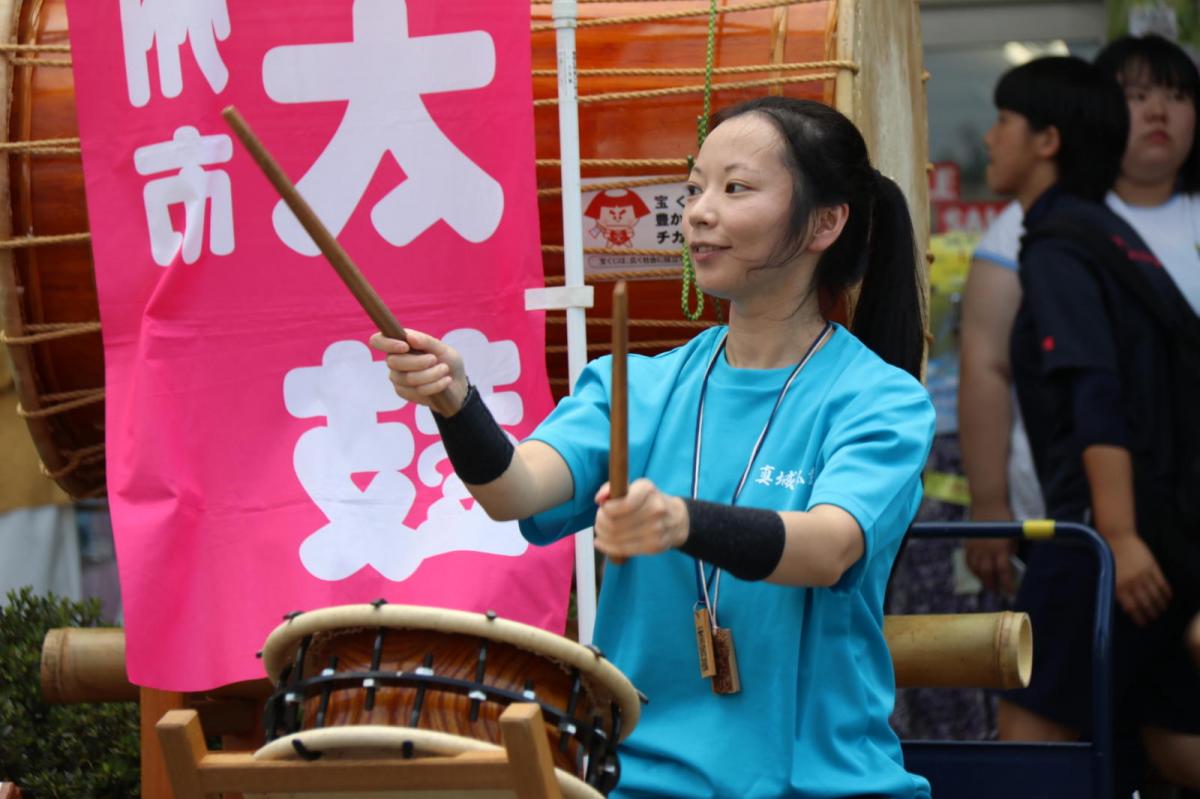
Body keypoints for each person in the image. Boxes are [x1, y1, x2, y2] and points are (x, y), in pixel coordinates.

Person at [371, 96, 935, 798]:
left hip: (823, 786)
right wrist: (457, 403)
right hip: (639, 782)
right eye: (694, 188)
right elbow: (513, 490)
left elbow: (828, 548)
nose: (698, 212)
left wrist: (678, 521)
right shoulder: (635, 385)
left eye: (736, 188)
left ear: (826, 222)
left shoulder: (879, 398)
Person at [975, 52, 1200, 793]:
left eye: (1004, 120)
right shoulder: (1110, 235)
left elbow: (1095, 391)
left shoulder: (1059, 247)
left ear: (1047, 140)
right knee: (1173, 741)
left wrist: (1119, 537)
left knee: (1026, 752)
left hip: (1102, 540)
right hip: (1168, 536)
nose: (989, 139)